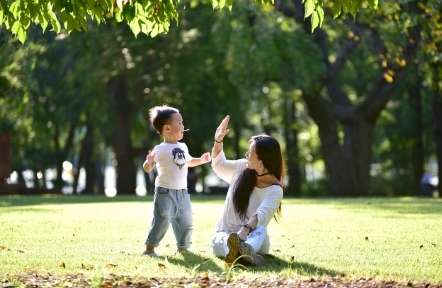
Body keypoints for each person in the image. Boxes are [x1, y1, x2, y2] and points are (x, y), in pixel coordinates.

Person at [211, 115, 284, 266]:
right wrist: (218, 141)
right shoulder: (241, 167)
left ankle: (246, 249)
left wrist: (245, 230)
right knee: (223, 239)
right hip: (226, 233)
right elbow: (220, 166)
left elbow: (261, 214)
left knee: (261, 230)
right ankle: (238, 251)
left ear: (261, 161)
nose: (246, 155)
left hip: (253, 236)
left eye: (250, 153)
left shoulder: (275, 189)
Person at [142, 105, 211, 257]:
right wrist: (149, 162)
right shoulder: (160, 149)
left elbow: (189, 161)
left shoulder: (183, 146)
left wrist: (201, 160)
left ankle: (183, 247)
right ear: (167, 128)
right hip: (165, 192)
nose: (183, 125)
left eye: (182, 122)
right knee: (163, 218)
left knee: (186, 220)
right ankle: (150, 248)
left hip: (182, 192)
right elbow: (148, 168)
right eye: (179, 122)